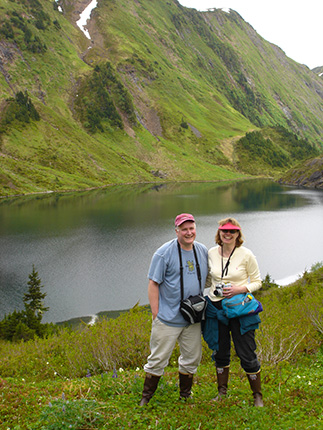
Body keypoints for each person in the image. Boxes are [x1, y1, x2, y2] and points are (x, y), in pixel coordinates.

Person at [139, 213, 208, 405]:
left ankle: (185, 395)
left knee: (192, 358)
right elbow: (153, 283)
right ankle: (146, 398)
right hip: (167, 319)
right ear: (176, 231)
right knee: (158, 359)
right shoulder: (163, 253)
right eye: (184, 229)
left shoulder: (201, 250)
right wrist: (156, 314)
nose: (188, 232)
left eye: (191, 228)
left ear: (196, 229)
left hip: (192, 318)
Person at [204, 217, 264, 407]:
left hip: (240, 309)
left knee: (246, 351)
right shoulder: (212, 253)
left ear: (238, 234)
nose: (227, 234)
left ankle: (257, 396)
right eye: (224, 231)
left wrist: (240, 289)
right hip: (216, 308)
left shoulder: (246, 255)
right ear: (219, 233)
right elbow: (208, 280)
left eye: (232, 231)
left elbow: (257, 282)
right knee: (220, 351)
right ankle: (222, 393)